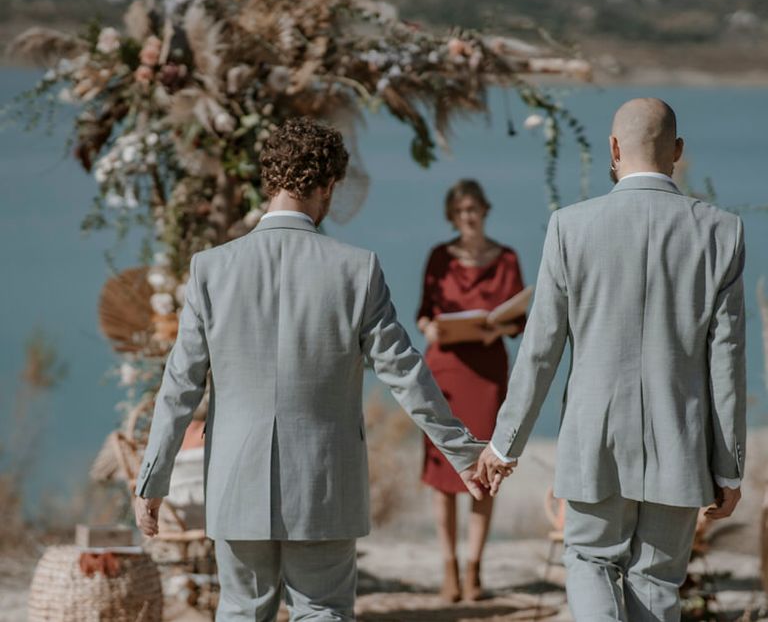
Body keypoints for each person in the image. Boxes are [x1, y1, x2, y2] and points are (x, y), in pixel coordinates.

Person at [133, 117, 487, 621]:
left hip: (236, 481)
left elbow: (179, 388)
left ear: (270, 181)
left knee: (239, 610)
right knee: (321, 610)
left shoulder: (211, 269)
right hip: (325, 483)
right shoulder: (356, 268)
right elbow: (405, 372)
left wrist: (152, 480)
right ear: (327, 185)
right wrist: (464, 453)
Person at [476, 98, 747, 621]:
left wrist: (503, 444)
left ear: (614, 149)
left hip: (594, 443)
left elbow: (540, 350)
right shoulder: (722, 232)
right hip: (680, 442)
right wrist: (728, 468)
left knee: (590, 561)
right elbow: (727, 361)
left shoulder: (570, 227)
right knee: (658, 583)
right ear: (678, 152)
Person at [416, 179, 526, 602]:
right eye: (460, 210)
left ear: (485, 209)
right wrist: (434, 328)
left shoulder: (508, 257)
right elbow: (424, 314)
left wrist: (495, 326)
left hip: (487, 370)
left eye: (474, 208)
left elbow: (518, 318)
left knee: (486, 469)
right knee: (442, 473)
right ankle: (448, 569)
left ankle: (475, 570)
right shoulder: (439, 257)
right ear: (451, 215)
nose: (468, 216)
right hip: (444, 370)